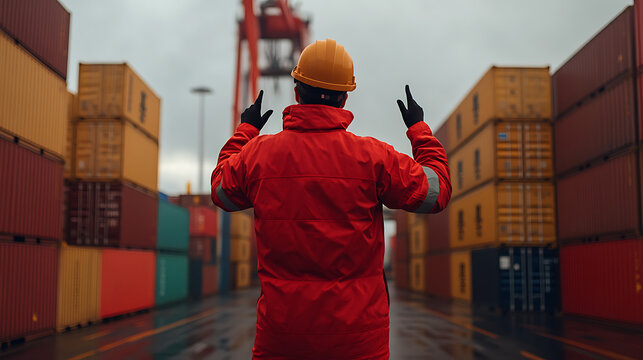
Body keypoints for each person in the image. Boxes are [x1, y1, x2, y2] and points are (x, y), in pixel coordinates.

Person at [211, 38, 451, 359]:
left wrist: (246, 130)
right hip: (359, 343)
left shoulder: (259, 155)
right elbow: (435, 194)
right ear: (345, 97)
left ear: (297, 90)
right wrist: (419, 129)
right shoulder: (374, 157)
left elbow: (221, 191)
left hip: (282, 340)